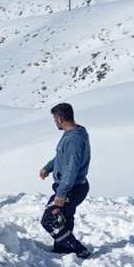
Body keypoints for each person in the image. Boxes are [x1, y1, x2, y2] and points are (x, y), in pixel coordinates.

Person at [39, 102, 91, 258]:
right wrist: (48, 167)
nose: (55, 122)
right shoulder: (75, 132)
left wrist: (61, 193)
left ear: (60, 119)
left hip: (71, 188)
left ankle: (79, 249)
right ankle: (63, 250)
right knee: (64, 218)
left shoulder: (74, 139)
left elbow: (70, 167)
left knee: (49, 219)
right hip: (72, 186)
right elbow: (62, 157)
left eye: (55, 119)